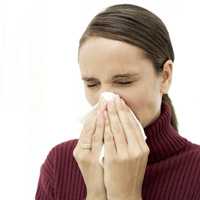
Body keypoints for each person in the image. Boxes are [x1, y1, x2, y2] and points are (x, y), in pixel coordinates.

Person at [35, 3, 200, 200]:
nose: (105, 100)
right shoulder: (60, 163)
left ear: (165, 77)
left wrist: (126, 194)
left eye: (124, 81)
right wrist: (95, 193)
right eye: (92, 83)